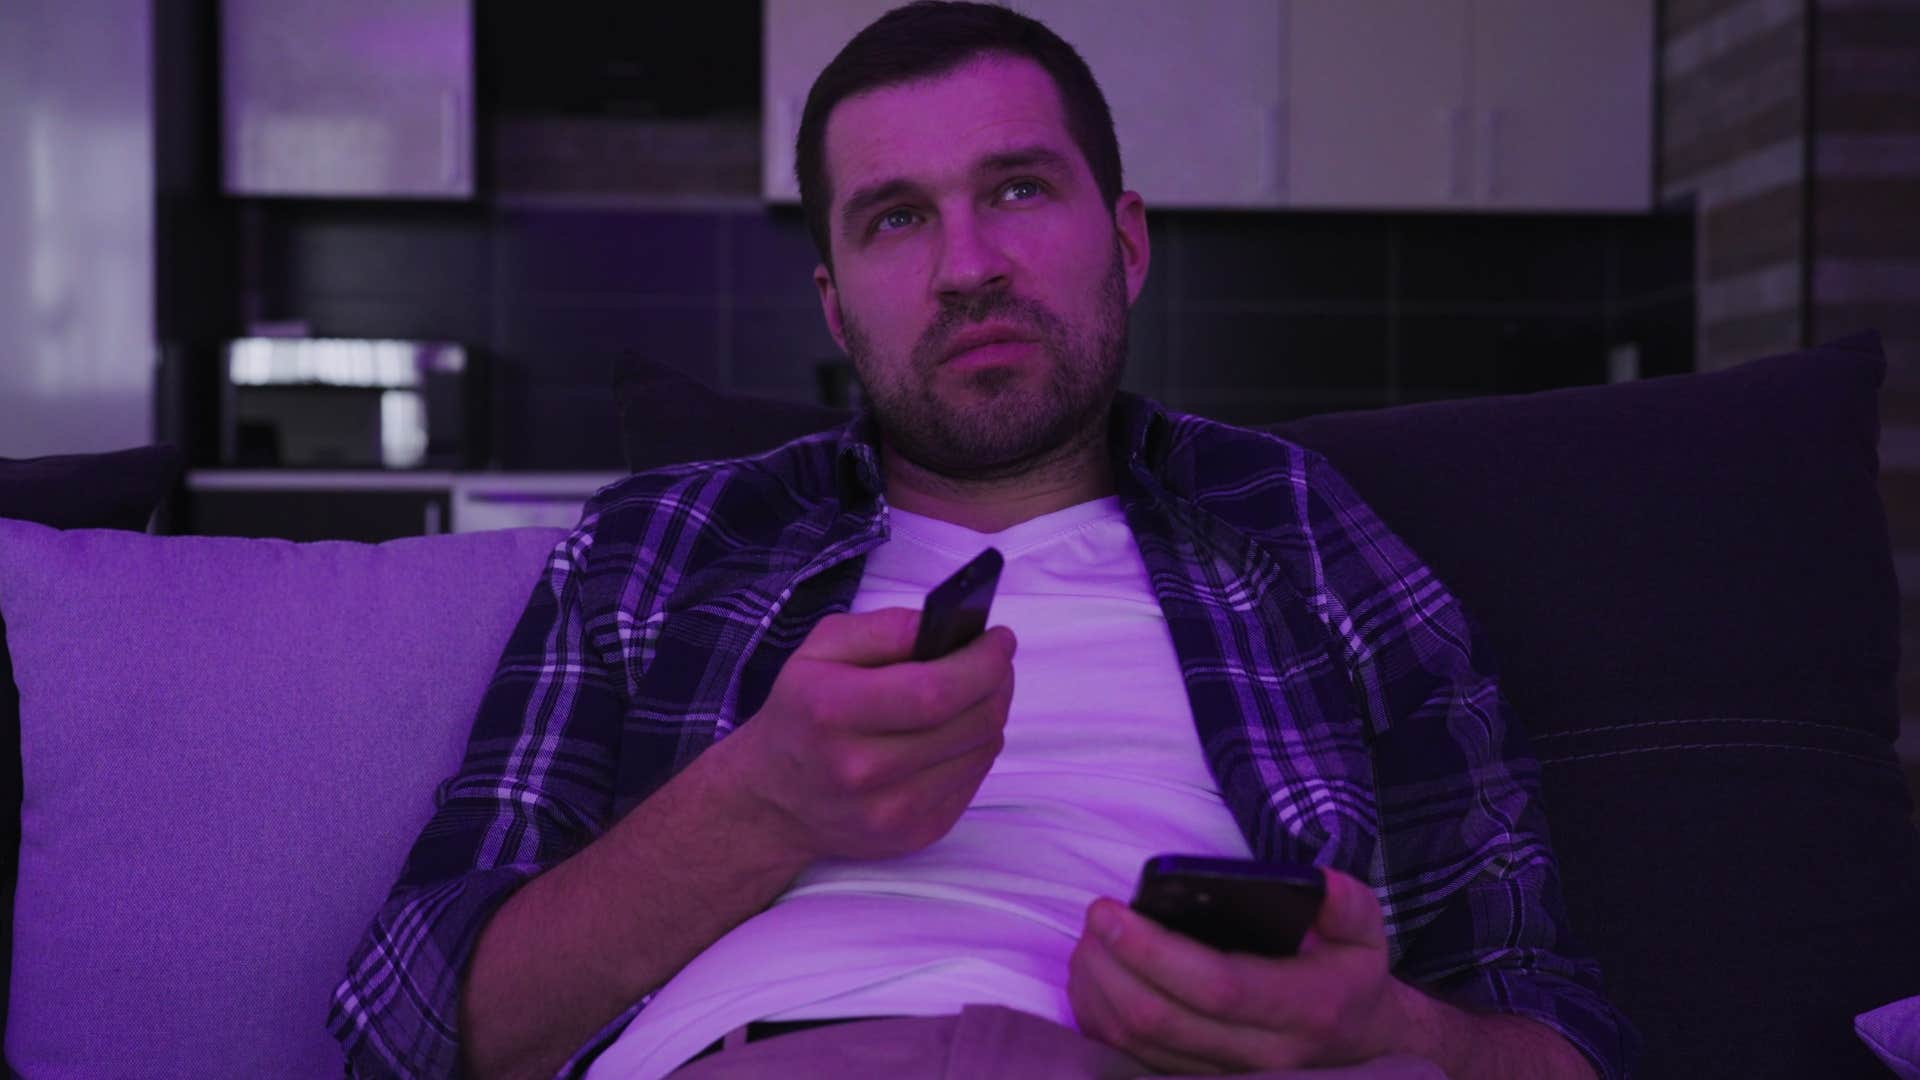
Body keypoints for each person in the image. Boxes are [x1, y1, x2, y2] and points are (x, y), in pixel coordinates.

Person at [328, 3, 1638, 1078]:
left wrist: (1392, 1034)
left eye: (1016, 187)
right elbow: (415, 1027)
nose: (967, 265)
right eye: (898, 217)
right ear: (836, 307)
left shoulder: (1293, 521)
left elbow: (1557, 1028)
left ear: (1124, 244)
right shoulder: (669, 537)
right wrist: (761, 802)